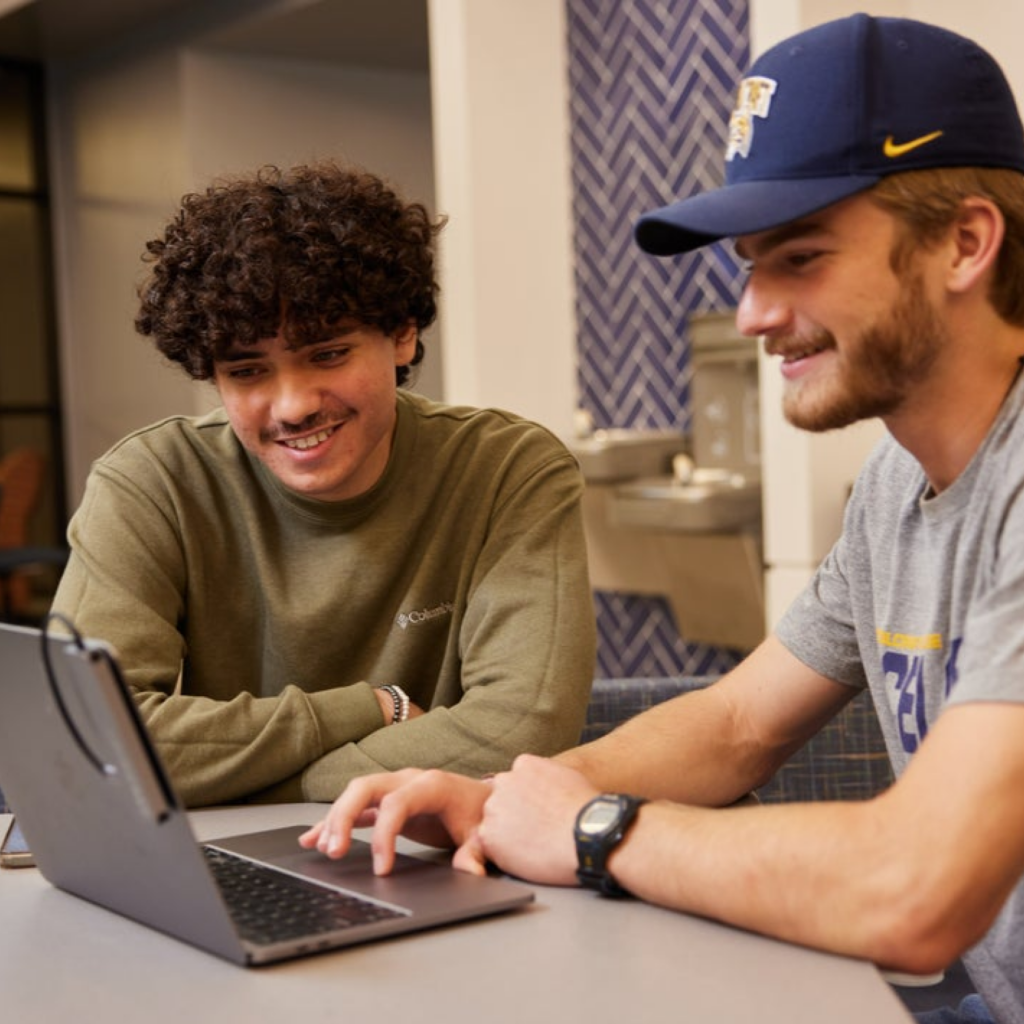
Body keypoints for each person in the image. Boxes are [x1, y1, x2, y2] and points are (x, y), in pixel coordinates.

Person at [300, 15, 1024, 1024]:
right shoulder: (896, 486)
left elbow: (915, 889)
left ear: (965, 241)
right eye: (749, 266)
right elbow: (737, 723)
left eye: (800, 258)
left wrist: (596, 827)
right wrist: (514, 797)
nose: (755, 314)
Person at [51, 161, 596, 808]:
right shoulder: (153, 483)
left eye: (328, 354)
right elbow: (81, 739)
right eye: (248, 371)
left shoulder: (508, 471)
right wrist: (372, 709)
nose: (291, 406)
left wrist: (263, 782)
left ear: (401, 334)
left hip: (430, 855)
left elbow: (521, 731)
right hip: (223, 867)